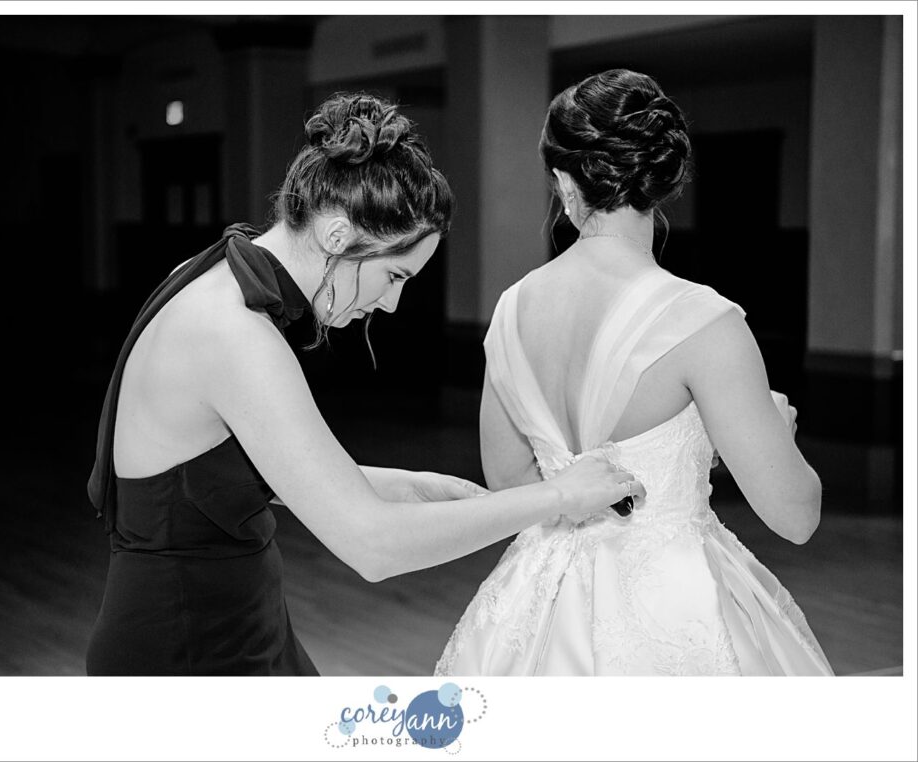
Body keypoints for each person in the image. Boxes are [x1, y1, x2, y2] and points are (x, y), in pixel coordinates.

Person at [85, 92, 645, 675]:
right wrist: (556, 496)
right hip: (186, 652)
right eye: (393, 274)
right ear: (336, 235)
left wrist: (408, 484)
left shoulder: (206, 275)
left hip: (230, 624)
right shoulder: (235, 334)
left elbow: (208, 480)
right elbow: (373, 547)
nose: (394, 302)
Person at [435, 70, 834, 676]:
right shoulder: (703, 321)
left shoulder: (512, 309)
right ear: (661, 182)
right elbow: (796, 516)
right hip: (673, 602)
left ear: (565, 184)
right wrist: (775, 433)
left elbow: (512, 485)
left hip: (538, 601)